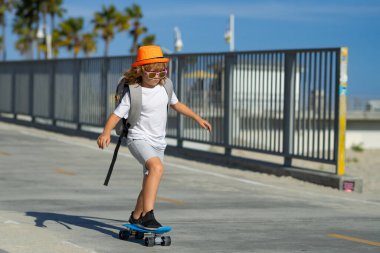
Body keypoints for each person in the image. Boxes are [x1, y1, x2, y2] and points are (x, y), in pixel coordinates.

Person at [97, 45, 212, 230]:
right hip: (138, 138)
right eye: (152, 73)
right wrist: (105, 133)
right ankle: (148, 216)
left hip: (159, 142)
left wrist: (198, 118)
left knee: (149, 181)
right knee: (156, 168)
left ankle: (135, 217)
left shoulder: (165, 86)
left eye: (161, 72)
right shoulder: (133, 91)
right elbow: (116, 115)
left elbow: (177, 104)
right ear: (141, 71)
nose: (157, 76)